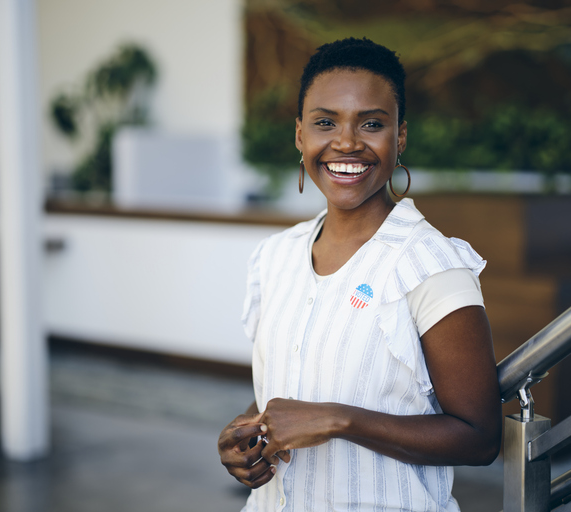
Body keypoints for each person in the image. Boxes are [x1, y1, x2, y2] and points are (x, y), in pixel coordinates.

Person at [218, 37, 502, 511]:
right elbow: (288, 392)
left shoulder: (432, 266)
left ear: (401, 136)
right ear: (299, 135)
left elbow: (479, 437)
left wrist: (339, 421)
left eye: (372, 124)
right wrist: (247, 431)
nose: (347, 142)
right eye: (325, 122)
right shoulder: (275, 256)